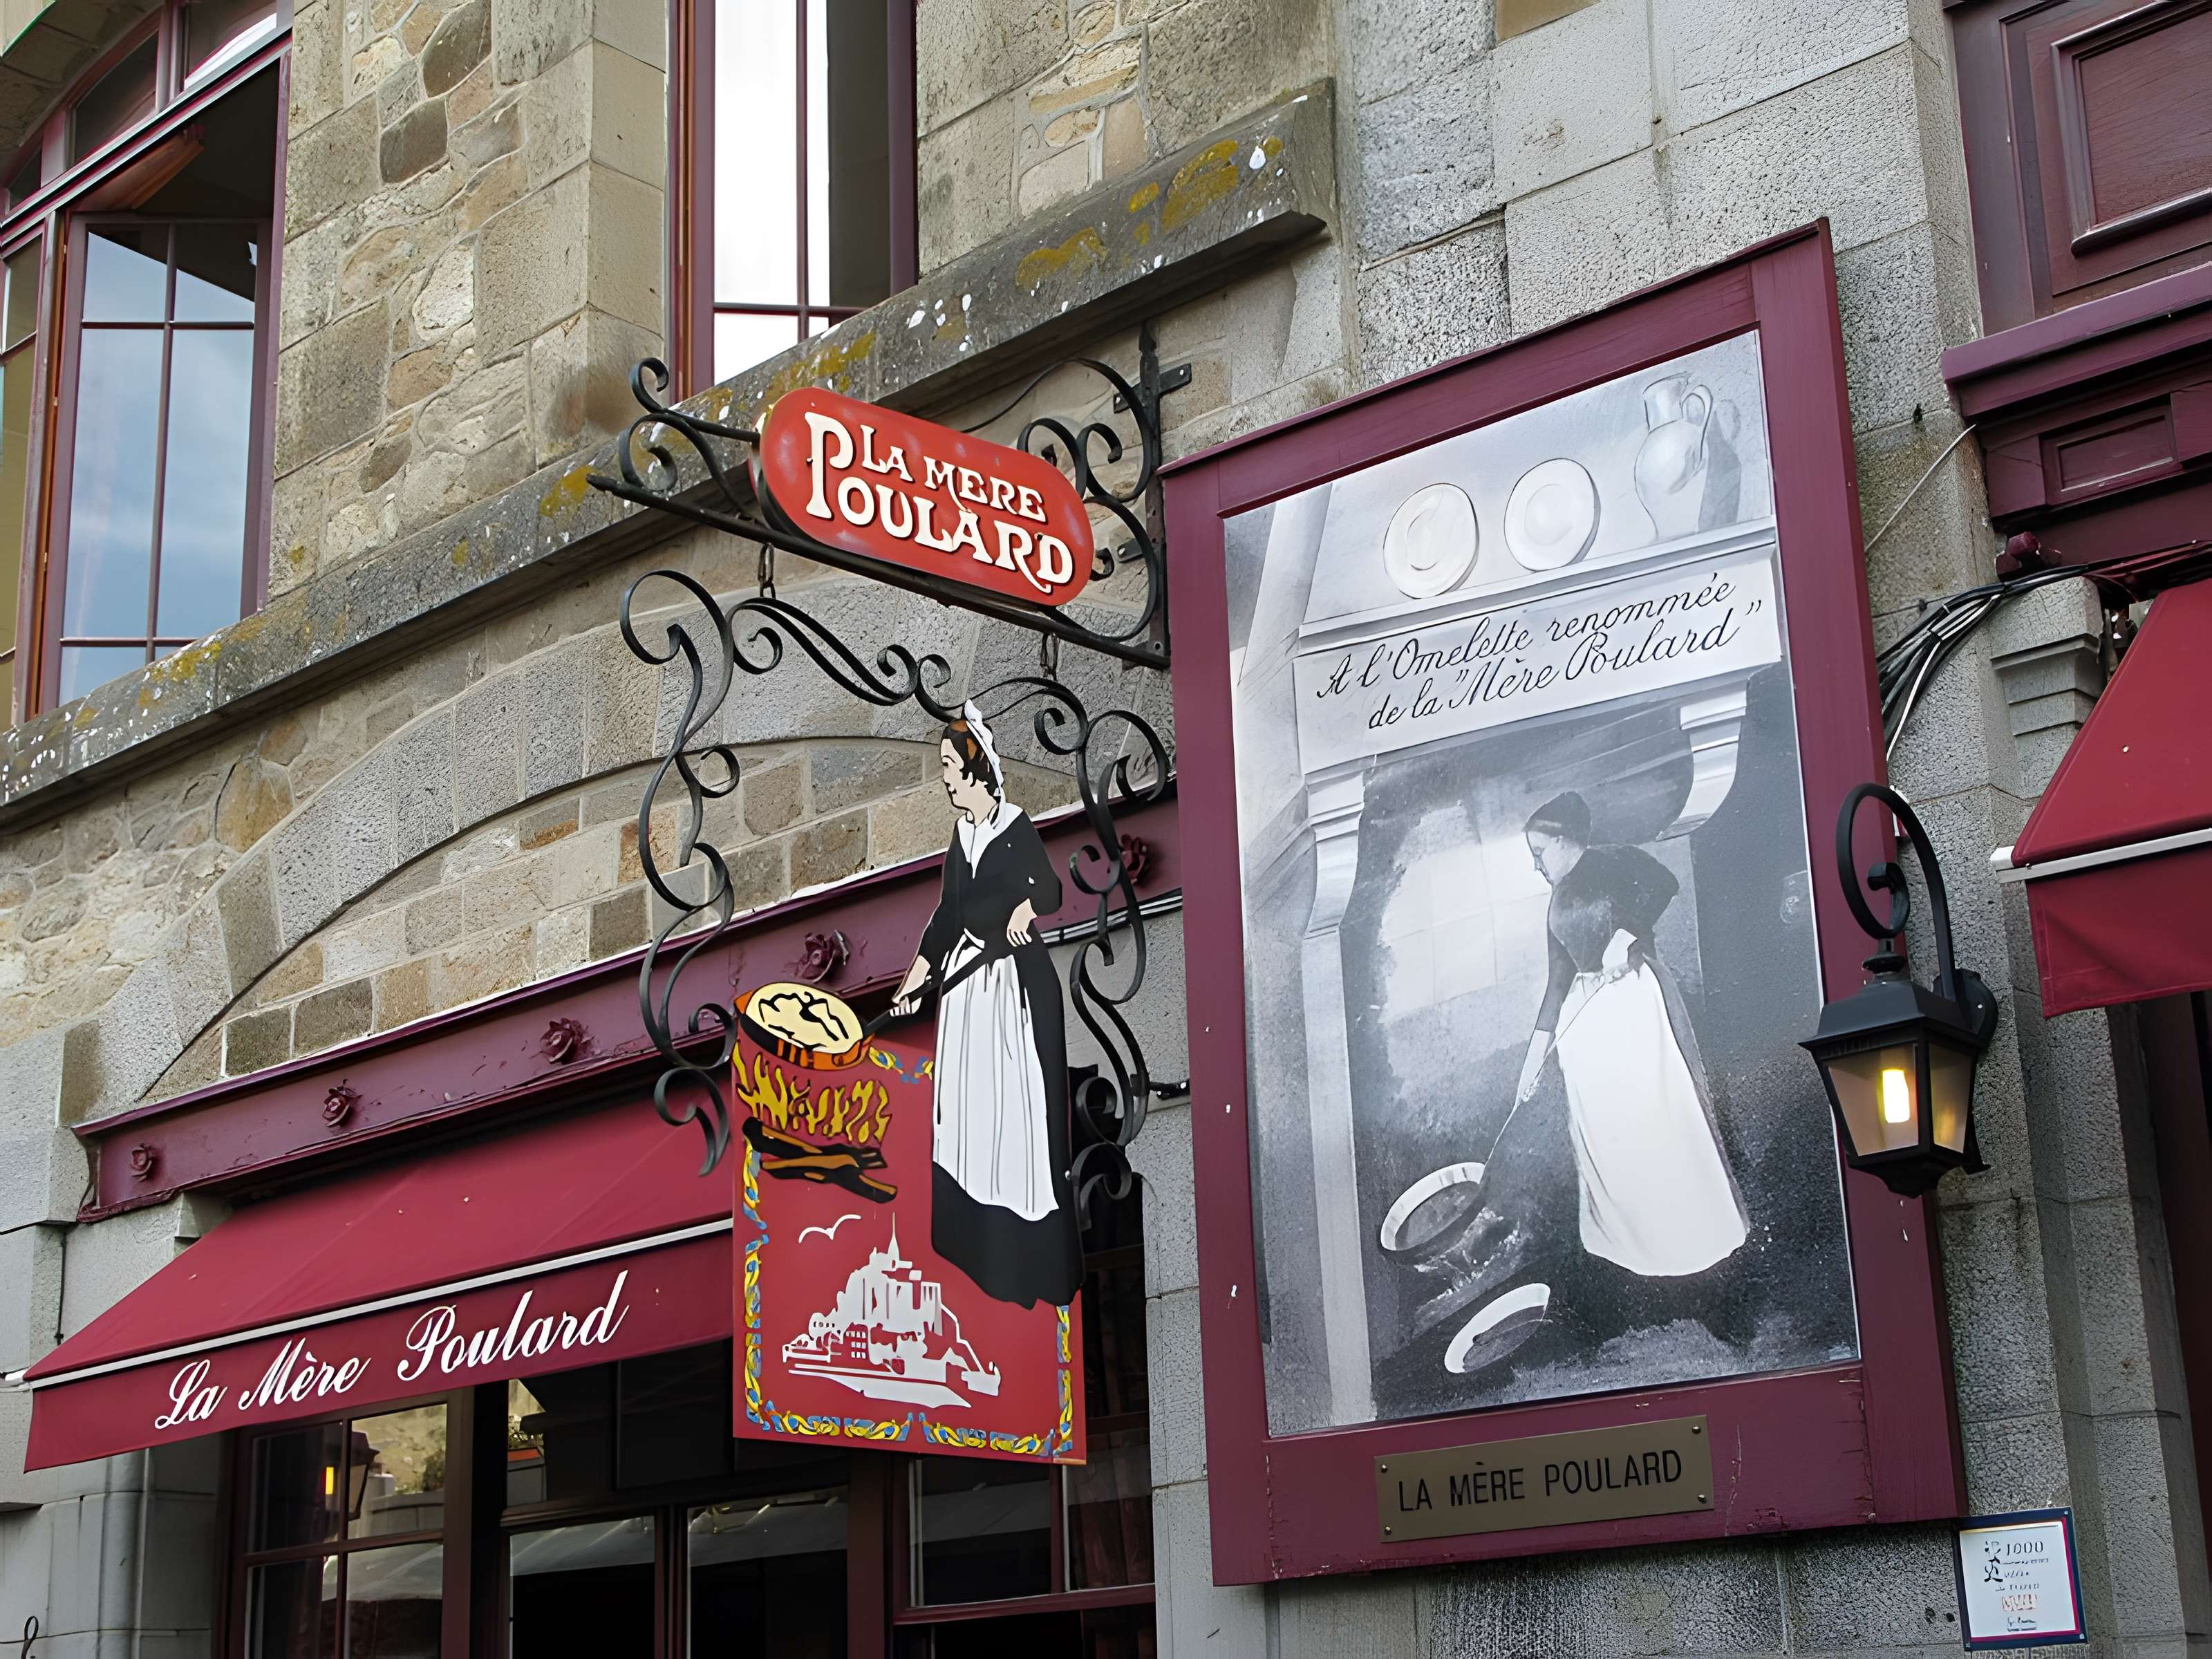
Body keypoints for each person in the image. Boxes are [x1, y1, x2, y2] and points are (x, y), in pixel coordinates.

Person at [890, 704, 1082, 1309]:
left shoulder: (1014, 825)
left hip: (1009, 988)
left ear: (976, 770)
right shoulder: (962, 834)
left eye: (950, 766)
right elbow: (948, 914)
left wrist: (1026, 909)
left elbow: (1049, 888)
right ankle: (970, 1244)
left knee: (1011, 1113)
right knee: (968, 1118)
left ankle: (1023, 1251)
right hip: (965, 989)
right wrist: (913, 983)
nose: (945, 778)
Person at [1515, 791, 1747, 1280]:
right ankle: (1633, 1249)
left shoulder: (1615, 861)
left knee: (1658, 1120)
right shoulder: (1556, 903)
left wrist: (1630, 937)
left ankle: (1696, 1242)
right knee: (1611, 1136)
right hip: (1587, 1025)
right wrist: (1534, 1056)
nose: (1536, 866)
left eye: (1539, 853)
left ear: (1565, 840)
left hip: (1636, 1009)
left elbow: (1664, 884)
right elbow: (1558, 980)